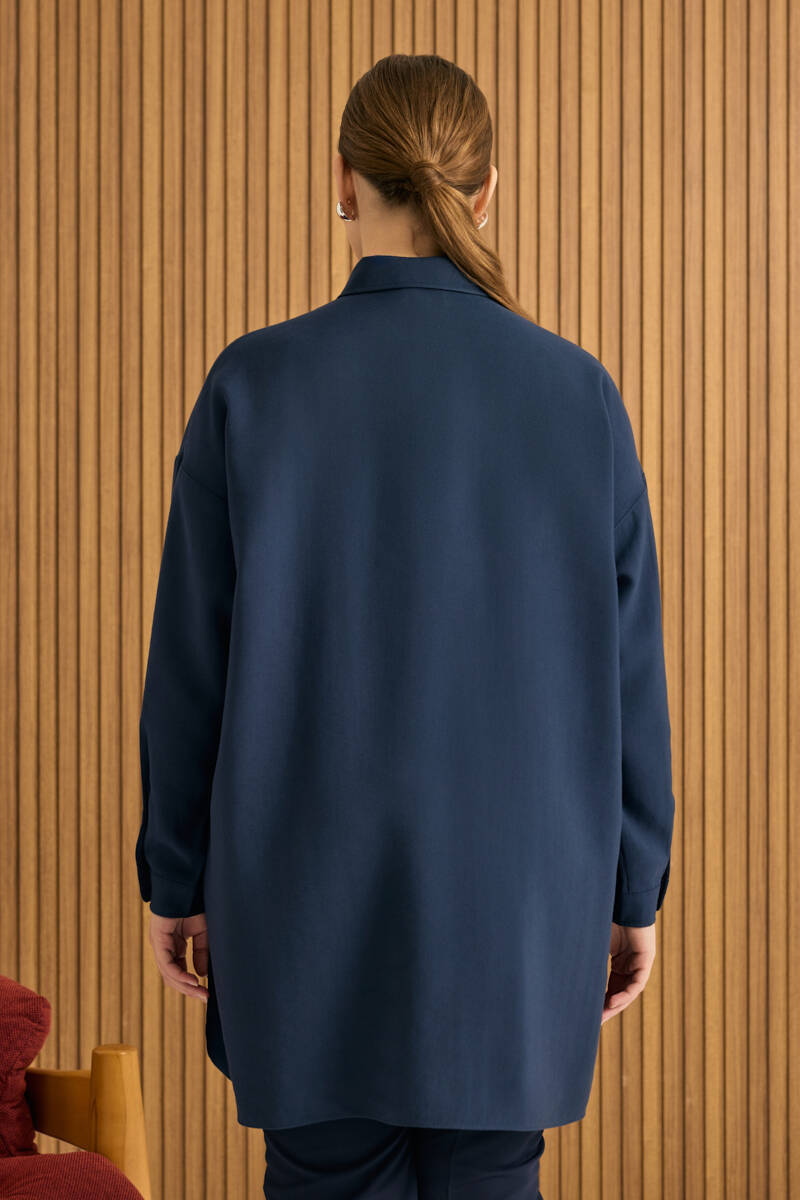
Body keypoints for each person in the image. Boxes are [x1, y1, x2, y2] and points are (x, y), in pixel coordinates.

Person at [135, 52, 675, 1199]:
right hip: (518, 915)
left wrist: (174, 878)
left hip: (299, 910)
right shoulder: (576, 396)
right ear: (486, 190)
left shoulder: (252, 385)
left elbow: (190, 664)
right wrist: (633, 890)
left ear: (343, 178)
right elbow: (627, 672)